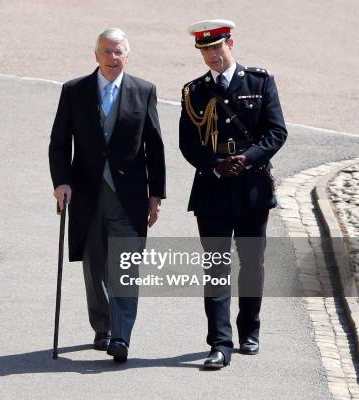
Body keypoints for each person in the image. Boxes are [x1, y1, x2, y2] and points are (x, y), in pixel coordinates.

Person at [49, 28, 166, 363]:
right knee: (94, 265)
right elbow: (59, 142)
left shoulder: (144, 91)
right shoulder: (74, 91)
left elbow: (154, 146)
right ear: (95, 54)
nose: (112, 58)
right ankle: (102, 326)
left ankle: (121, 335)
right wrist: (61, 183)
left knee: (125, 267)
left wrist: (156, 194)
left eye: (118, 52)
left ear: (126, 55)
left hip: (129, 196)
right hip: (86, 194)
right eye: (106, 52)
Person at [179, 19, 288, 369]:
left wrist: (248, 157)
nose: (212, 55)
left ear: (231, 43)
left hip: (252, 186)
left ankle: (250, 330)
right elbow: (187, 143)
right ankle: (220, 343)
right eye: (205, 50)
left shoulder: (259, 81)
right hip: (213, 189)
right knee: (216, 267)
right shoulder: (193, 91)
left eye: (217, 47)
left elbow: (276, 132)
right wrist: (214, 163)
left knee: (252, 263)